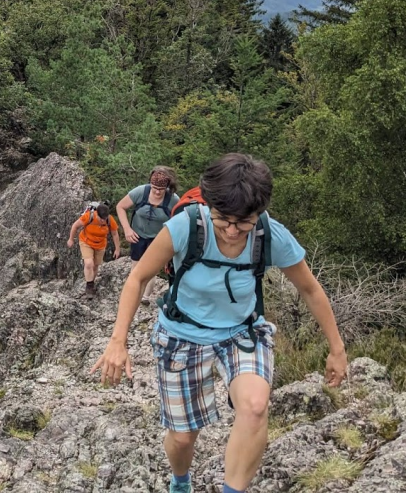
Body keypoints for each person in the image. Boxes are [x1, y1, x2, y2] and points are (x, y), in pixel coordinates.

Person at [92, 153, 347, 493]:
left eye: (243, 223)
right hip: (182, 334)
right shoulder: (186, 226)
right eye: (222, 219)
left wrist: (337, 348)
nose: (230, 231)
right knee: (183, 439)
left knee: (255, 407)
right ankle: (180, 481)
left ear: (258, 213)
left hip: (242, 332)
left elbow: (310, 289)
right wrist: (117, 340)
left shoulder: (270, 234)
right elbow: (138, 278)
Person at [116, 166, 181, 304]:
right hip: (137, 234)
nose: (157, 192)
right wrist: (127, 229)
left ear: (167, 187)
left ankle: (145, 297)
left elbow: (180, 222)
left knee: (151, 269)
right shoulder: (141, 192)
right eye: (154, 188)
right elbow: (120, 206)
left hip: (158, 238)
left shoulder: (173, 200)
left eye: (161, 190)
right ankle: (132, 294)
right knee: (136, 266)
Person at [67, 202, 122, 299]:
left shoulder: (109, 220)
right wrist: (71, 239)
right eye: (101, 219)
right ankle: (89, 286)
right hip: (86, 241)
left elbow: (114, 234)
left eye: (104, 219)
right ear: (97, 215)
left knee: (95, 266)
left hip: (100, 245)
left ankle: (91, 282)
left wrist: (117, 249)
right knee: (89, 263)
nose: (103, 221)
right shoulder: (89, 216)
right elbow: (75, 226)